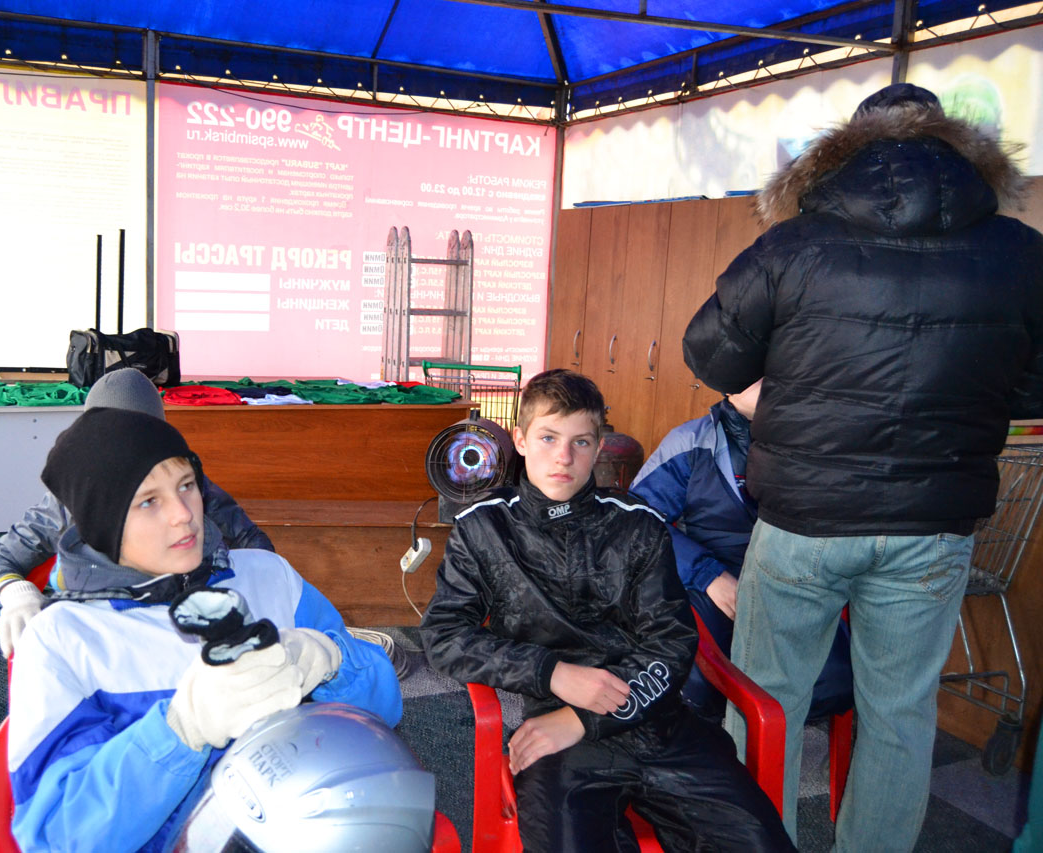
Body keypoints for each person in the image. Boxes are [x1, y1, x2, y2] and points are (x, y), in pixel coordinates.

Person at [682, 82, 1043, 849]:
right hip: (933, 525)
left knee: (766, 700)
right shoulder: (1019, 251)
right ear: (957, 146)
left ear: (848, 147)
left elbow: (710, 354)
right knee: (900, 715)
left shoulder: (794, 244)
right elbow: (1035, 384)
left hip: (803, 519)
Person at [420, 369, 793, 852]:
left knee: (758, 842)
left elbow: (672, 644)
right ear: (520, 440)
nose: (564, 457)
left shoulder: (638, 526)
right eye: (548, 438)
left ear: (598, 448)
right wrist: (553, 673)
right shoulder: (483, 528)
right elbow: (445, 636)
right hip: (559, 736)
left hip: (655, 722)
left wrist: (582, 718)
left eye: (580, 442)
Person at [6, 407, 402, 853]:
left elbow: (385, 713)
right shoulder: (62, 639)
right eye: (149, 501)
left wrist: (334, 661)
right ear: (103, 524)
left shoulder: (271, 576)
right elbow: (59, 834)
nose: (183, 514)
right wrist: (182, 730)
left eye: (186, 485)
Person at [0, 367, 274, 657]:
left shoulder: (191, 489)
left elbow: (251, 540)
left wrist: (252, 585)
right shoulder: (67, 500)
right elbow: (0, 559)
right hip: (105, 635)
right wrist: (16, 593)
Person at [629, 379, 852, 722]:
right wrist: (708, 575)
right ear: (727, 381)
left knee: (838, 681)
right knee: (699, 682)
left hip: (794, 585)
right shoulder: (692, 441)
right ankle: (722, 743)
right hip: (712, 584)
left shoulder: (813, 443)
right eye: (752, 371)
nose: (766, 379)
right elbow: (637, 520)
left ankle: (760, 739)